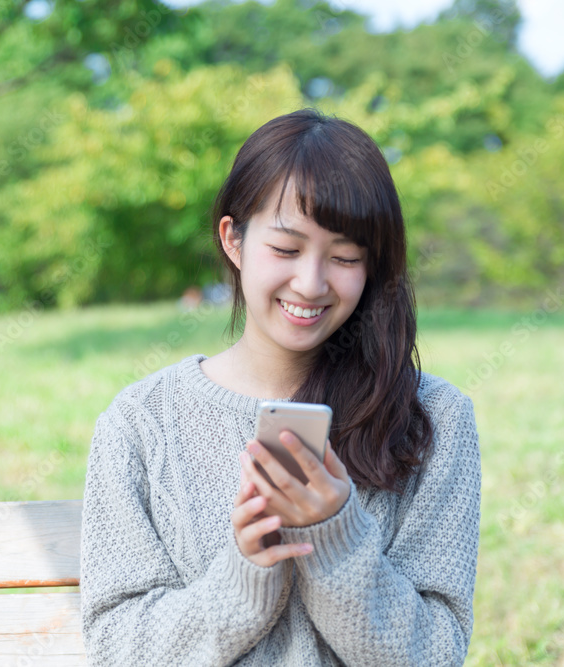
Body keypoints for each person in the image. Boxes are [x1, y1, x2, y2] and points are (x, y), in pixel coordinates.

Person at [80, 108, 481, 666]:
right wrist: (245, 575)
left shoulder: (433, 418)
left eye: (344, 257)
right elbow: (117, 647)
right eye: (286, 250)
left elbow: (435, 655)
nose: (311, 283)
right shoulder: (142, 421)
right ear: (234, 240)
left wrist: (336, 538)